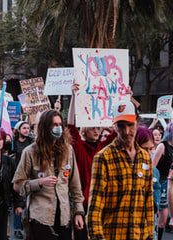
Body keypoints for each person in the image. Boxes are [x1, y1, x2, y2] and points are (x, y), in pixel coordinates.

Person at [88, 99, 154, 240]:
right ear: (114, 126)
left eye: (130, 125)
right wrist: (97, 236)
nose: (126, 131)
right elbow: (96, 203)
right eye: (121, 126)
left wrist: (149, 234)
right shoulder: (103, 157)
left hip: (139, 234)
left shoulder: (145, 157)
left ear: (137, 122)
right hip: (112, 234)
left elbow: (148, 198)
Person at [13, 109, 85, 240]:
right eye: (54, 125)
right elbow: (17, 185)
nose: (58, 128)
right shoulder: (30, 152)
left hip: (64, 218)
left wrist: (78, 212)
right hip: (41, 218)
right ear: (45, 127)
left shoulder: (68, 150)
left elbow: (75, 185)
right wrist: (39, 183)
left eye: (60, 125)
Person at [68, 83, 116, 240]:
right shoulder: (80, 147)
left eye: (98, 127)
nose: (96, 130)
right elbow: (70, 126)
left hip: (102, 203)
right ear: (84, 130)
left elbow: (118, 134)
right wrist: (74, 97)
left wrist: (126, 98)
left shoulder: (103, 147)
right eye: (92, 128)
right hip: (84, 203)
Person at [152, 122, 173, 239]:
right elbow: (153, 167)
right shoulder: (162, 146)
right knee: (161, 217)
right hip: (162, 182)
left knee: (165, 218)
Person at [135, 125, 161, 239]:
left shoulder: (154, 170)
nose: (148, 153)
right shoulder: (126, 168)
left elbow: (156, 194)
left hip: (149, 223)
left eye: (151, 149)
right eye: (145, 149)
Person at [12, 120, 33, 239]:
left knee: (29, 202)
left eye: (28, 128)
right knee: (18, 201)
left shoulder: (31, 142)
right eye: (24, 128)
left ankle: (28, 227)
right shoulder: (13, 143)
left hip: (30, 175)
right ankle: (17, 228)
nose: (26, 130)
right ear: (19, 130)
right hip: (18, 174)